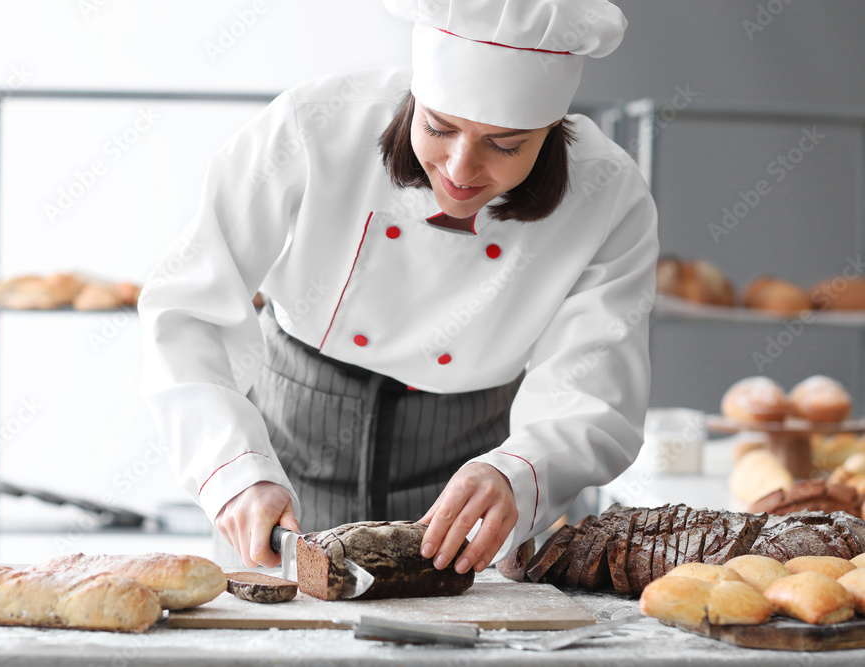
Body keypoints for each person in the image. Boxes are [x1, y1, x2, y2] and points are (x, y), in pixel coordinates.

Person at [138, 0, 658, 575]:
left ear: (552, 130)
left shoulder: (607, 192)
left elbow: (592, 382)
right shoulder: (316, 123)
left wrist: (517, 470)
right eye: (438, 127)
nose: (461, 170)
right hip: (288, 454)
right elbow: (187, 307)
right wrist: (236, 471)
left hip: (464, 483)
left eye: (505, 145)